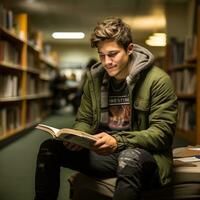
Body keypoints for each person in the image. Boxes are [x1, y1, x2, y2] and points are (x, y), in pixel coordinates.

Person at [34, 17, 177, 200]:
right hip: (103, 152)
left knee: (129, 158)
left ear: (129, 49)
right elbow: (84, 119)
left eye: (113, 54)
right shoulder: (94, 79)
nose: (107, 61)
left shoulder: (157, 81)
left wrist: (118, 141)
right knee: (49, 148)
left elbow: (162, 133)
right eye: (102, 55)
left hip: (144, 155)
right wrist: (77, 136)